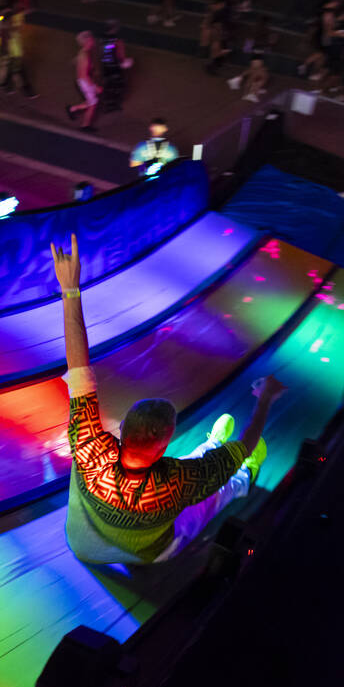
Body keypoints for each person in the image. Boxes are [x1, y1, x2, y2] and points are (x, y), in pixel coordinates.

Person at [51, 234, 282, 565]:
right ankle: (243, 479)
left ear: (122, 431)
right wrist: (264, 399)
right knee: (212, 495)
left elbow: (78, 366)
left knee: (202, 471)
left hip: (81, 542)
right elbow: (245, 446)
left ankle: (210, 446)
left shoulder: (91, 447)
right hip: (147, 552)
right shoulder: (176, 480)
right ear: (164, 446)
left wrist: (70, 289)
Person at [0, 13, 37, 98]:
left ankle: (5, 84)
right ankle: (26, 90)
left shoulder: (11, 29)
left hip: (15, 54)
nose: (12, 23)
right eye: (10, 22)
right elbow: (4, 44)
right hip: (12, 55)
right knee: (20, 71)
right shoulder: (6, 32)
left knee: (13, 70)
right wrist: (6, 53)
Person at [65, 31, 100, 132]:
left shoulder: (84, 52)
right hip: (85, 83)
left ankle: (72, 109)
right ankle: (85, 126)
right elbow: (84, 76)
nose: (93, 40)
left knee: (91, 102)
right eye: (91, 39)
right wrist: (95, 87)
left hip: (84, 82)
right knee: (93, 103)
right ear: (87, 41)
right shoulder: (85, 55)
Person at [98, 20, 132, 113]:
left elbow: (101, 52)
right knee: (118, 86)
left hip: (105, 66)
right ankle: (114, 105)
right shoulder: (118, 41)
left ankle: (106, 104)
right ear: (115, 29)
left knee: (107, 85)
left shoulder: (101, 39)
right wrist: (126, 62)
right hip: (115, 67)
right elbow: (121, 56)